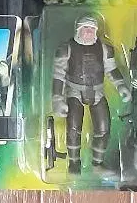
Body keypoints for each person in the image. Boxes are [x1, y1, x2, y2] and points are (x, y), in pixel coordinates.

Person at [52, 15, 131, 174]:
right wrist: (57, 98)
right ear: (78, 30)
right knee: (73, 129)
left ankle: (97, 164)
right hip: (74, 91)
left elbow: (111, 69)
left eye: (92, 29)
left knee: (103, 129)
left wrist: (121, 85)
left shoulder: (104, 48)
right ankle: (74, 163)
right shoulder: (66, 48)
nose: (89, 32)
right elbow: (59, 74)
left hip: (98, 92)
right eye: (85, 28)